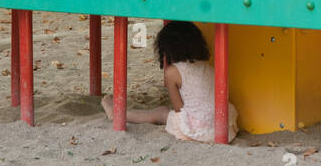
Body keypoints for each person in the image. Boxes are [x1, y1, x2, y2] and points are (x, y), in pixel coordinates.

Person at [101, 21, 239, 143]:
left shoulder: (173, 72)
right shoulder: (208, 67)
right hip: (221, 127)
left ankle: (115, 114)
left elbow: (179, 110)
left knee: (161, 112)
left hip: (199, 129)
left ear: (167, 48)